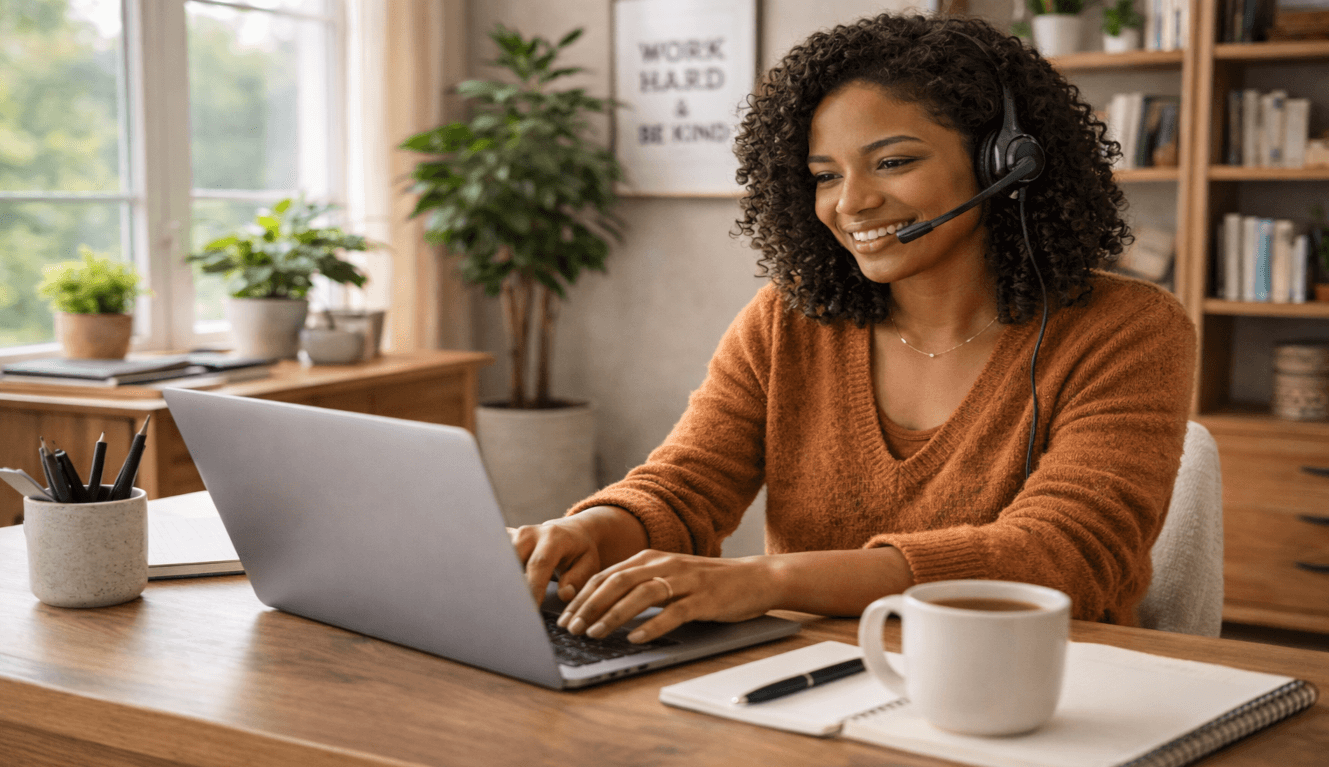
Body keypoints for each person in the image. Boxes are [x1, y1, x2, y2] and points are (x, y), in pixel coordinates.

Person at [511, 13, 1196, 645]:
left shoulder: (1129, 330)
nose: (852, 202)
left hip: (1034, 681)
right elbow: (686, 486)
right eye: (824, 175)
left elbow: (1060, 555)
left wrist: (767, 580)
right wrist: (586, 531)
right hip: (820, 676)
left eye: (893, 161)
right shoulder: (789, 319)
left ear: (1004, 162)